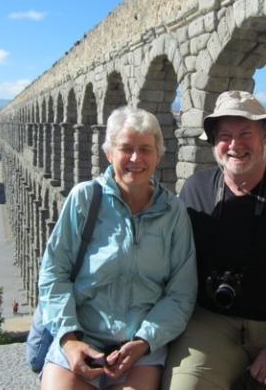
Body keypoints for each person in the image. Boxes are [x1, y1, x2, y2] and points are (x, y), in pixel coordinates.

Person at [162, 90, 266, 390]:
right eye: (224, 135)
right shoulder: (195, 189)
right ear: (213, 142)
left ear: (265, 136)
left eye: (245, 133)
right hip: (212, 324)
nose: (235, 145)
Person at [39, 106, 197, 390]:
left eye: (145, 149)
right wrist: (69, 340)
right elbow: (54, 273)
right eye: (126, 148)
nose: (136, 158)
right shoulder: (84, 199)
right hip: (81, 336)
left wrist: (144, 341)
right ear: (109, 153)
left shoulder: (173, 212)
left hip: (141, 347)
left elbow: (181, 293)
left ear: (159, 155)